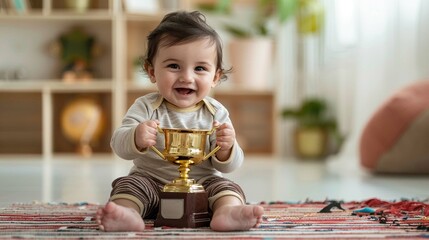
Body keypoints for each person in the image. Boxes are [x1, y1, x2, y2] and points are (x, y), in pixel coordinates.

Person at [96, 11, 264, 232]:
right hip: (151, 183)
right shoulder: (145, 107)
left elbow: (230, 165)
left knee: (226, 188)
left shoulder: (216, 112)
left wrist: (227, 148)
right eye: (174, 66)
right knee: (129, 186)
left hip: (202, 186)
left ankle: (227, 212)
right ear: (151, 71)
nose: (187, 77)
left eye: (200, 68)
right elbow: (118, 144)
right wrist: (135, 136)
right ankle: (127, 214)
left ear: (215, 77)